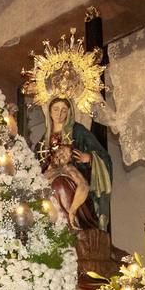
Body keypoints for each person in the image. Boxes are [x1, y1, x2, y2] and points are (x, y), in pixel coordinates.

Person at [39, 97, 113, 230]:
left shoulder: (78, 130)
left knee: (60, 184)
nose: (59, 114)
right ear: (49, 112)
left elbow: (104, 156)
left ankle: (70, 221)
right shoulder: (44, 139)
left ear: (69, 112)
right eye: (55, 109)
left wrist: (90, 158)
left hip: (72, 180)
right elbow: (36, 165)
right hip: (49, 177)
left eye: (63, 110)